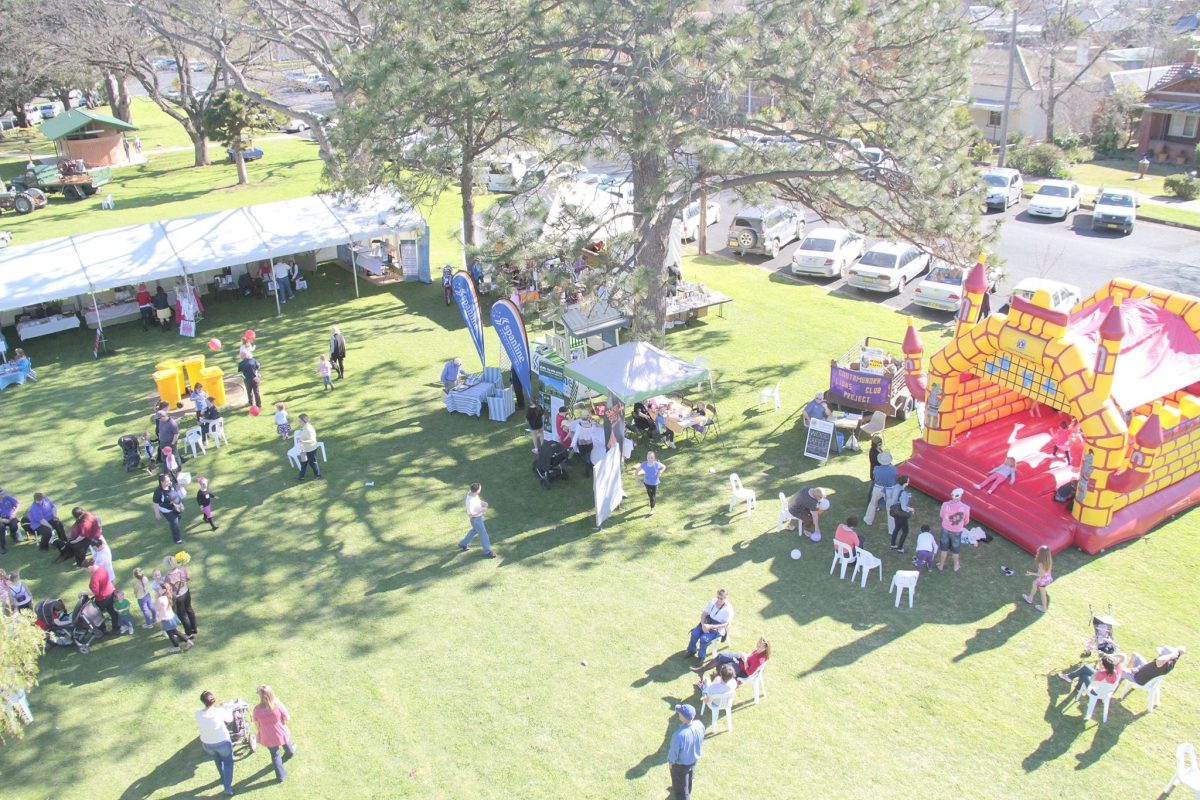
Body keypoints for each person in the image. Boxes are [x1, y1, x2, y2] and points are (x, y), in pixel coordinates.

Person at [253, 685, 297, 782]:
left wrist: (261, 731)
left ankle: (281, 776)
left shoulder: (257, 709)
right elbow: (287, 718)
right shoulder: (278, 705)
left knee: (275, 755)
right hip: (280, 731)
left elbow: (257, 724)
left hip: (267, 735)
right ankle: (290, 752)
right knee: (285, 741)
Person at [196, 691, 235, 795]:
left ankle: (223, 778)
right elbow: (230, 719)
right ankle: (227, 788)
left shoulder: (198, 713)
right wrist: (228, 708)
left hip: (207, 744)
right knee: (228, 763)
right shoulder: (219, 712)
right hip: (223, 742)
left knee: (217, 761)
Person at [667, 704, 705, 800]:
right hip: (694, 760)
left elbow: (673, 754)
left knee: (681, 790)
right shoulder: (699, 724)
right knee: (689, 778)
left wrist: (671, 763)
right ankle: (688, 790)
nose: (678, 714)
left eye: (680, 713)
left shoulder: (678, 736)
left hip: (680, 766)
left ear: (683, 717)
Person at [691, 636, 771, 680]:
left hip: (743, 669)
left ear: (765, 648)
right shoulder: (758, 651)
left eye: (760, 647)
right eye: (757, 644)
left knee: (723, 667)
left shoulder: (759, 660)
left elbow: (749, 672)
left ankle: (715, 682)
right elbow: (751, 656)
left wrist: (745, 661)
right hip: (742, 660)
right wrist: (744, 655)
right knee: (721, 656)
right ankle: (702, 670)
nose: (757, 647)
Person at [686, 588, 732, 660]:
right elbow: (704, 614)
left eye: (721, 598)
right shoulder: (713, 601)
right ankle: (691, 650)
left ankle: (701, 656)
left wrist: (711, 626)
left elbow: (726, 624)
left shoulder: (728, 609)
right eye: (718, 597)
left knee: (704, 639)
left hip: (717, 628)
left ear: (726, 598)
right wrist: (703, 624)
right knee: (694, 633)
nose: (719, 600)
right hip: (706, 623)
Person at [458, 482, 496, 558]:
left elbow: (477, 500)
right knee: (484, 535)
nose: (480, 489)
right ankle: (488, 551)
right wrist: (482, 509)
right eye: (480, 488)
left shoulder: (472, 493)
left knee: (474, 531)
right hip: (476, 520)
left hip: (478, 519)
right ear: (477, 490)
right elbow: (471, 514)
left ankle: (463, 544)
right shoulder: (470, 502)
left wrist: (483, 503)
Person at [937, 488, 971, 572]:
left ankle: (941, 565)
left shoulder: (945, 504)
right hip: (957, 531)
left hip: (945, 528)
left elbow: (941, 515)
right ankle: (956, 566)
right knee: (955, 549)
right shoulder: (966, 508)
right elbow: (966, 521)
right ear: (960, 496)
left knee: (944, 548)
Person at [1058, 653, 1124, 695]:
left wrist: (1100, 669)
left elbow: (1093, 680)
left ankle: (1072, 680)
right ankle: (1076, 686)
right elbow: (1123, 656)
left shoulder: (1102, 674)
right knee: (1085, 669)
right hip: (1106, 690)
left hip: (1096, 691)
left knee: (1084, 674)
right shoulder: (1116, 670)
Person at [166, 554, 197, 639]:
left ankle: (189, 633)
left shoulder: (169, 577)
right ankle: (194, 628)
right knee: (189, 609)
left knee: (182, 615)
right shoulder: (183, 569)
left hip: (178, 596)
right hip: (186, 592)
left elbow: (168, 588)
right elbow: (187, 579)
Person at [862, 452, 897, 526]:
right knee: (890, 508)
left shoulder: (876, 469)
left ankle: (868, 520)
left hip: (878, 488)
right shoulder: (894, 469)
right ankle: (892, 529)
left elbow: (875, 477)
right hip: (890, 489)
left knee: (873, 503)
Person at [86, 562, 120, 633]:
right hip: (111, 593)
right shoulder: (101, 568)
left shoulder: (95, 576)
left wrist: (83, 592)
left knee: (96, 614)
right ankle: (116, 628)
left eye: (86, 570)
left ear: (89, 567)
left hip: (102, 598)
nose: (86, 571)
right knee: (113, 612)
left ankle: (102, 629)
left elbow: (95, 592)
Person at [153, 474, 186, 545]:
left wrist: (179, 486)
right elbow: (155, 503)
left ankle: (173, 524)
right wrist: (157, 513)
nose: (169, 482)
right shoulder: (158, 491)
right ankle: (177, 539)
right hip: (167, 510)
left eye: (169, 480)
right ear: (162, 482)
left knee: (178, 518)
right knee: (175, 522)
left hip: (177, 506)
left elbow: (177, 491)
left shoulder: (171, 485)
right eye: (167, 481)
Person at [634, 451, 667, 516]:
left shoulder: (657, 464)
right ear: (647, 458)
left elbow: (664, 467)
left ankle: (652, 508)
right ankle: (651, 502)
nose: (650, 459)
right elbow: (637, 471)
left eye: (651, 458)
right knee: (649, 494)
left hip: (655, 483)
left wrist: (660, 472)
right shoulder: (644, 464)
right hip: (646, 482)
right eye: (649, 457)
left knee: (653, 496)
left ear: (654, 458)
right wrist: (636, 479)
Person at [888, 476, 914, 552]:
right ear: (905, 482)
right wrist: (911, 509)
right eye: (908, 480)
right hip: (901, 514)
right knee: (905, 531)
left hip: (895, 511)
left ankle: (893, 544)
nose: (909, 481)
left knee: (897, 528)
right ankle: (900, 548)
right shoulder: (903, 493)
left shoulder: (896, 487)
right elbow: (903, 507)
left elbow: (896, 496)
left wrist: (907, 496)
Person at [1023, 545, 1053, 612]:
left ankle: (1044, 608)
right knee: (1034, 583)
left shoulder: (1041, 563)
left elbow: (1041, 574)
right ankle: (1030, 598)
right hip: (1048, 578)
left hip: (1043, 579)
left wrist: (1031, 573)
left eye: (1039, 552)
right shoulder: (1049, 560)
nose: (1038, 552)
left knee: (1042, 593)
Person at [296, 414, 321, 480]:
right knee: (304, 462)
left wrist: (302, 441)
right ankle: (301, 476)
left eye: (299, 421)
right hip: (305, 448)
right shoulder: (304, 427)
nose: (298, 422)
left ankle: (317, 475)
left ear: (304, 421)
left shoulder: (308, 429)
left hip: (311, 449)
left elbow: (312, 440)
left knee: (312, 462)